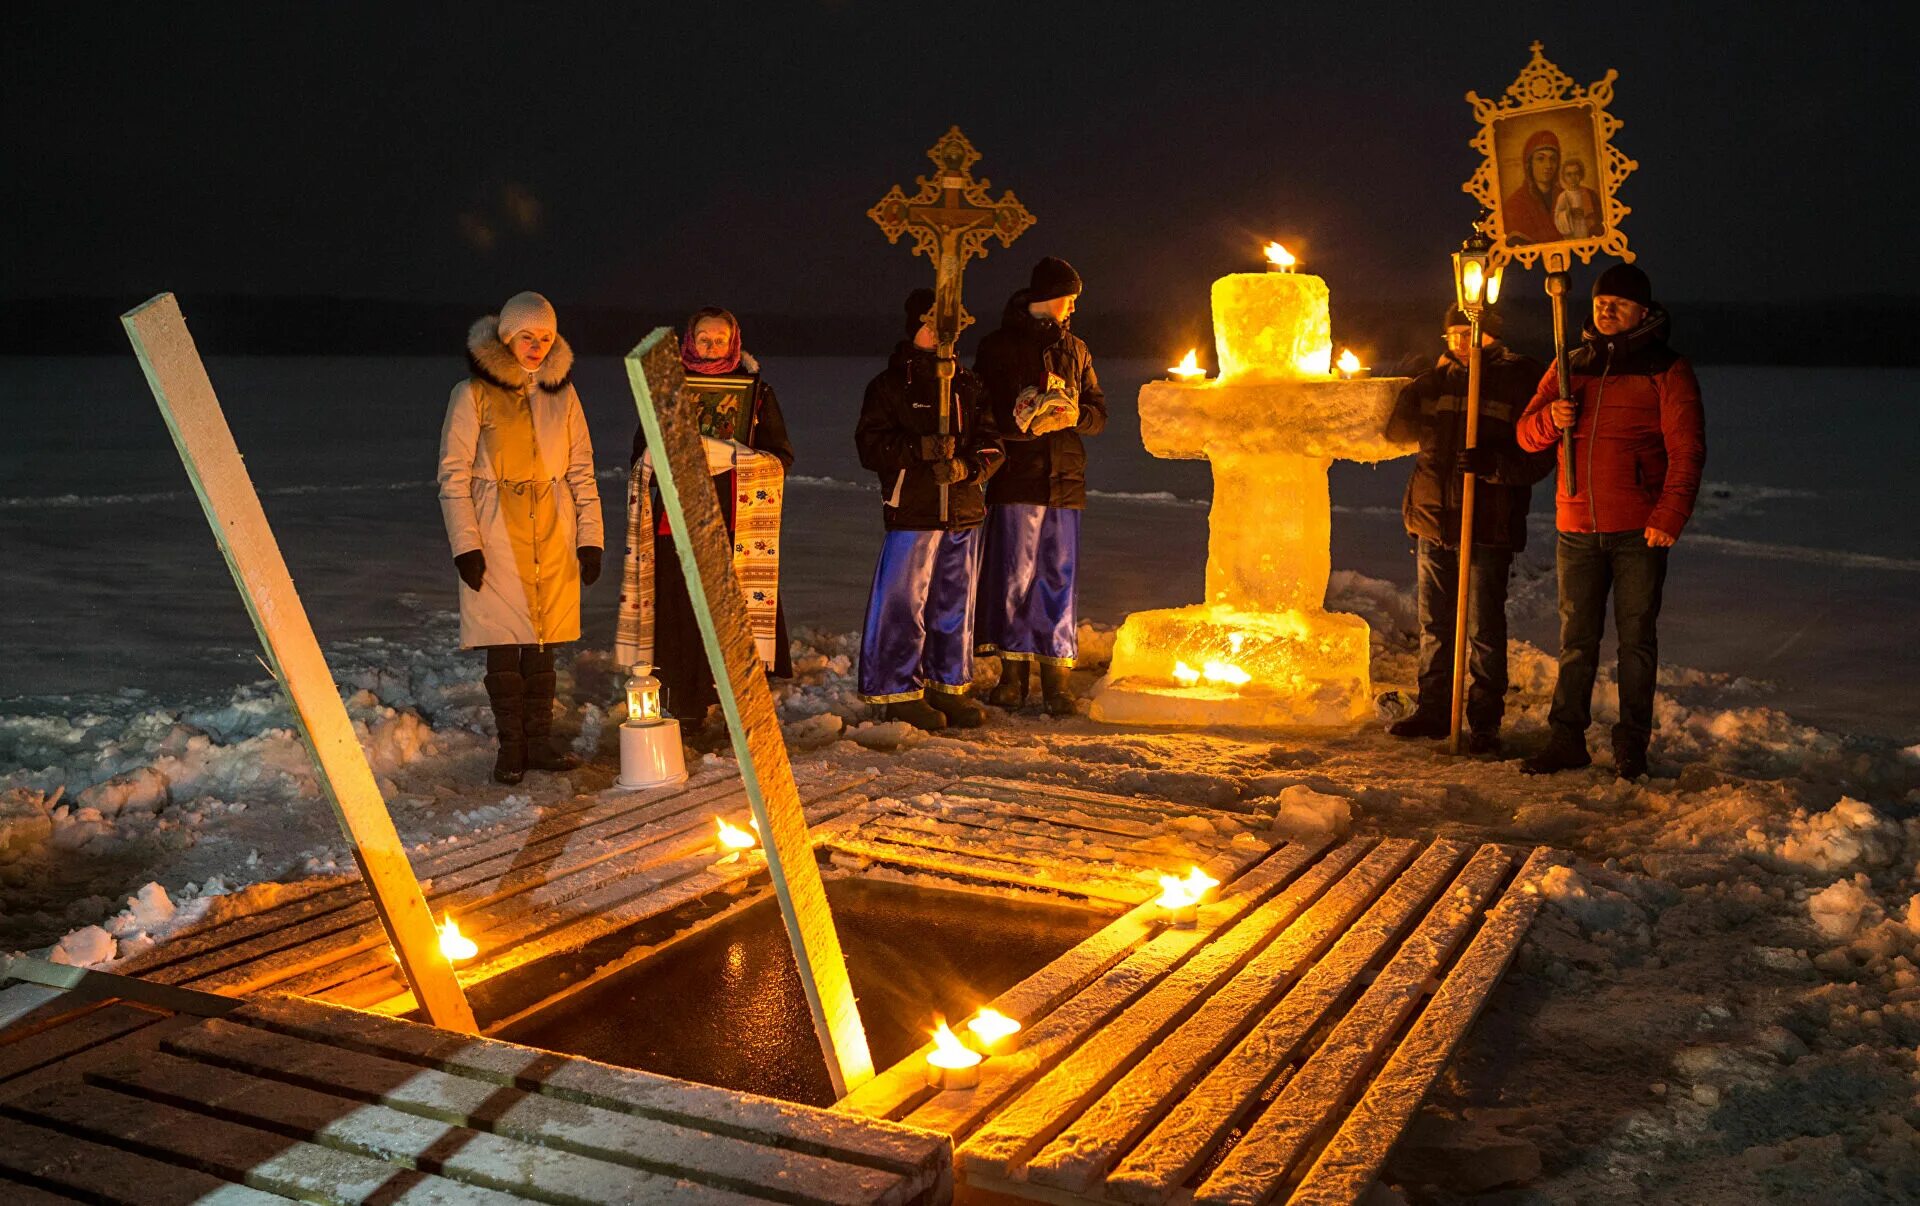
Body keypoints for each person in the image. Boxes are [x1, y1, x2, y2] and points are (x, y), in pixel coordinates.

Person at [1515, 263, 1705, 779]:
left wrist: (1669, 515)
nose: (1606, 309)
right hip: (1576, 527)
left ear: (1643, 311)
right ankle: (1566, 739)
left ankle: (1631, 745)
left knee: (1636, 641)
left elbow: (1686, 451)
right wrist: (1550, 419)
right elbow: (1525, 435)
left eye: (1619, 304)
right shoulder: (1569, 361)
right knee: (1576, 641)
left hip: (1639, 530)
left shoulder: (1666, 369)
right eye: (1601, 302)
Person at [437, 291, 603, 784]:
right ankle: (511, 747)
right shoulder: (472, 394)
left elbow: (582, 472)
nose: (536, 346)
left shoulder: (563, 394)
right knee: (504, 644)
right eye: (527, 337)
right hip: (495, 529)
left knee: (544, 644)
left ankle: (540, 742)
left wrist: (590, 538)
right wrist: (466, 544)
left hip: (553, 528)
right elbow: (452, 475)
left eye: (545, 338)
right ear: (507, 338)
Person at [615, 307, 793, 725]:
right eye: (703, 338)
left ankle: (738, 707)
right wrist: (659, 458)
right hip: (676, 521)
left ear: (733, 342)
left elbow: (782, 456)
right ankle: (687, 706)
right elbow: (640, 453)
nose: (711, 347)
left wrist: (736, 456)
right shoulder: (667, 390)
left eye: (719, 339)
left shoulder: (757, 393)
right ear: (688, 341)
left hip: (736, 522)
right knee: (681, 615)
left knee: (730, 616)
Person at [1385, 304, 1550, 752]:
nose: (1461, 342)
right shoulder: (1438, 382)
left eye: (1470, 333)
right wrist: (1414, 382)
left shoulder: (1519, 379)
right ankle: (1434, 710)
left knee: (1482, 626)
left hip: (1487, 521)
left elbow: (1539, 457)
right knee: (1435, 622)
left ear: (1493, 335)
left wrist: (1494, 467)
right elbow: (1397, 432)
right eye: (1453, 335)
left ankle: (1483, 721)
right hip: (1433, 516)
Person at [854, 289, 1006, 731]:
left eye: (950, 328)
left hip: (962, 510)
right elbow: (870, 446)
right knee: (904, 602)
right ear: (914, 327)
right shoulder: (890, 385)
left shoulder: (969, 384)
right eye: (932, 325)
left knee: (954, 602)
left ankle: (947, 685)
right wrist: (917, 449)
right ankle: (898, 688)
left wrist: (969, 467)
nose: (942, 336)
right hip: (914, 512)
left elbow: (992, 442)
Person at [973, 257, 1106, 717]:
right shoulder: (997, 347)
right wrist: (1021, 420)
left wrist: (1076, 417)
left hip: (1065, 480)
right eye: (1069, 299)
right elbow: (980, 413)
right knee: (1015, 576)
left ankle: (1056, 680)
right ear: (1048, 297)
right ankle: (1013, 677)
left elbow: (1098, 411)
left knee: (1058, 579)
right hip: (1017, 479)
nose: (1073, 309)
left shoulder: (1078, 349)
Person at [1503, 128, 1563, 245]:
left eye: (1553, 159)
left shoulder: (1565, 196)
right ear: (1529, 164)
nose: (1548, 166)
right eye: (1540, 159)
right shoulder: (1515, 205)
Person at [1553, 158, 1603, 239]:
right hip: (1571, 232)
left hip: (1588, 231)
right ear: (1564, 177)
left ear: (1581, 175)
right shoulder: (1563, 196)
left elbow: (1599, 215)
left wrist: (1587, 215)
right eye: (1569, 174)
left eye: (1576, 173)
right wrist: (1569, 213)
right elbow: (1557, 217)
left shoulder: (1589, 193)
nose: (1573, 177)